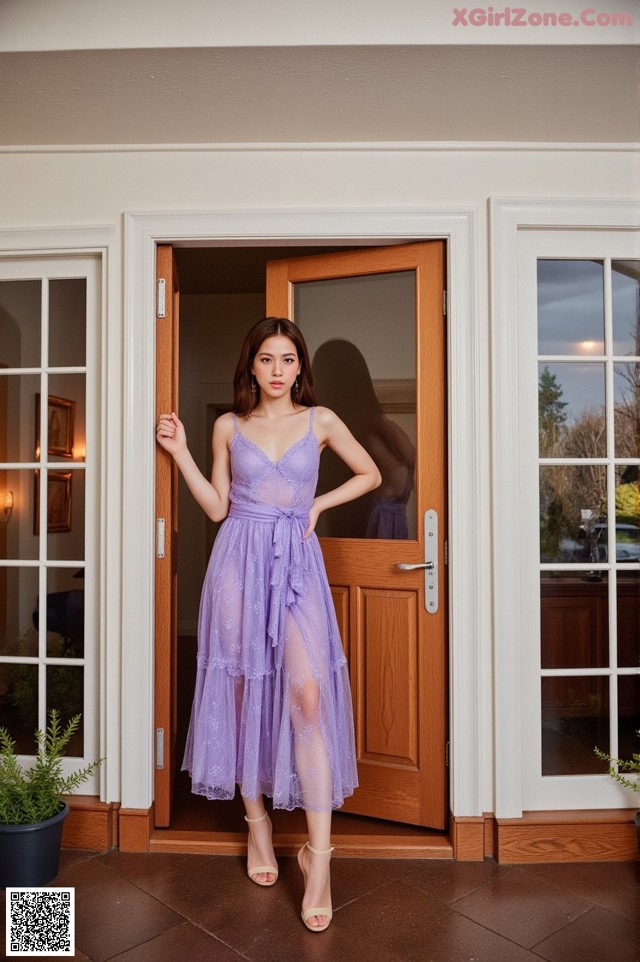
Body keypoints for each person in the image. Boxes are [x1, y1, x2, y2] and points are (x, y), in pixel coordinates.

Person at [156, 317, 381, 933]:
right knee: (238, 689)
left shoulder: (323, 420)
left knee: (307, 696)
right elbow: (218, 506)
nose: (278, 370)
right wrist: (179, 455)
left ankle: (320, 856)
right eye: (266, 359)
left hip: (297, 566)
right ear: (250, 367)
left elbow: (372, 475)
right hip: (236, 563)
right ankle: (255, 821)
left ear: (300, 368)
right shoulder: (229, 425)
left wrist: (319, 503)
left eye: (288, 359)